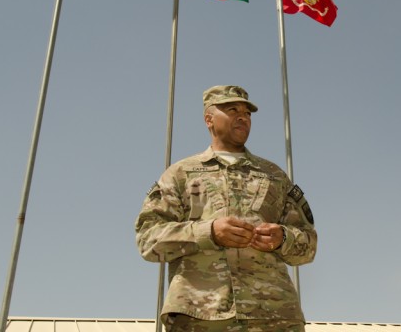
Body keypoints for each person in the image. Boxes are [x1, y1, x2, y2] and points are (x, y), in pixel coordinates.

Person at [135, 85, 317, 332]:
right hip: (201, 318)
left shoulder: (274, 175)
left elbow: (308, 243)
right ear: (209, 119)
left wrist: (282, 238)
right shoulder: (180, 174)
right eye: (232, 110)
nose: (243, 117)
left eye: (247, 113)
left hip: (275, 317)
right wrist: (208, 233)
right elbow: (148, 239)